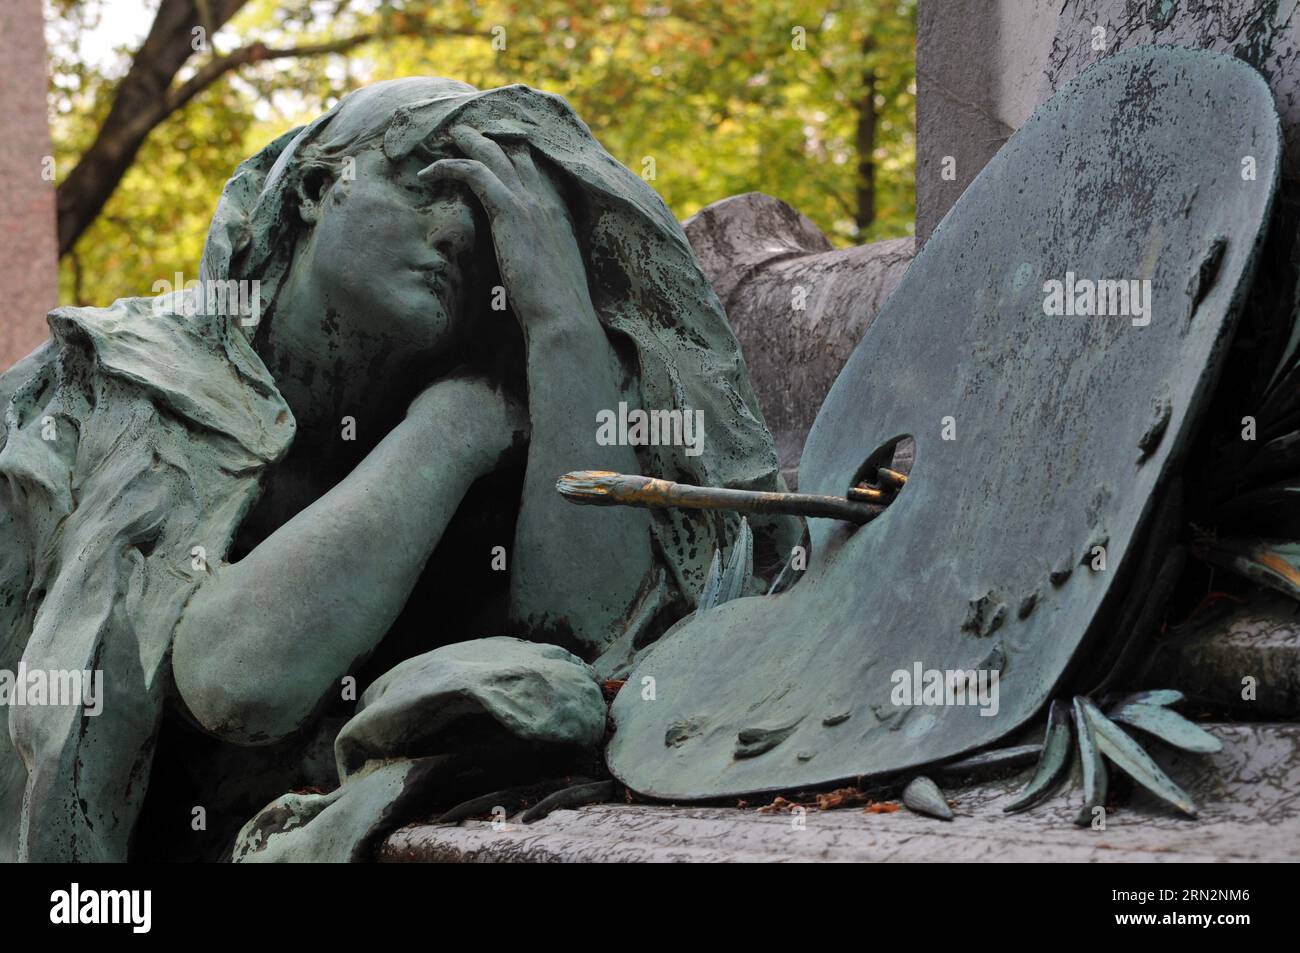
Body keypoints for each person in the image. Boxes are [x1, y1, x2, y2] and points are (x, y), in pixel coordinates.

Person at [0, 77, 795, 861]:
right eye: (428, 187)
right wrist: (448, 431)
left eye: (487, 225)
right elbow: (237, 682)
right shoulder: (137, 381)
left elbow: (594, 654)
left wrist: (560, 324)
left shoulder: (494, 401)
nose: (456, 230)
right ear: (318, 188)